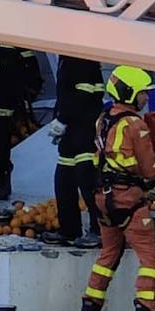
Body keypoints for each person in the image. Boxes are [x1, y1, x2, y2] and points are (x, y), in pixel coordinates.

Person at [76, 66, 155, 311]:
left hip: (102, 198)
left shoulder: (103, 119)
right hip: (128, 198)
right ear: (131, 93)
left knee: (108, 255)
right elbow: (149, 170)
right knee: (151, 258)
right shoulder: (136, 125)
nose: (146, 98)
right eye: (143, 93)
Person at [45, 56, 105, 245]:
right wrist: (61, 119)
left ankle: (100, 231)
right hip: (72, 131)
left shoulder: (80, 58)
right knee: (64, 180)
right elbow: (67, 95)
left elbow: (86, 93)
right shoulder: (67, 58)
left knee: (88, 182)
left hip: (85, 130)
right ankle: (69, 230)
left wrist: (63, 119)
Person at [0, 45, 43, 200]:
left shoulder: (6, 46)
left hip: (4, 105)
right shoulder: (15, 45)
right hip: (3, 104)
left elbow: (33, 79)